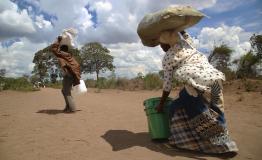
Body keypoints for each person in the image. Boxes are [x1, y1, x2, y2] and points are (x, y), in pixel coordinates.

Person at [156, 29, 238, 154]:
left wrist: (161, 104)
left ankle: (223, 146)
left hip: (196, 87)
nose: (161, 46)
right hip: (216, 81)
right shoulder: (188, 44)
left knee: (200, 116)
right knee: (217, 112)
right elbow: (188, 37)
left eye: (161, 43)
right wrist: (182, 29)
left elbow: (167, 85)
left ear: (167, 43)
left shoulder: (168, 57)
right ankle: (185, 141)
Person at [51, 36, 81, 113]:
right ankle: (68, 107)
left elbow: (54, 50)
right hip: (69, 75)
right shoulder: (68, 56)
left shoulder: (63, 54)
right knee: (64, 91)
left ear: (61, 50)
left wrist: (58, 40)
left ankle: (72, 108)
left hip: (69, 75)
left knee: (66, 92)